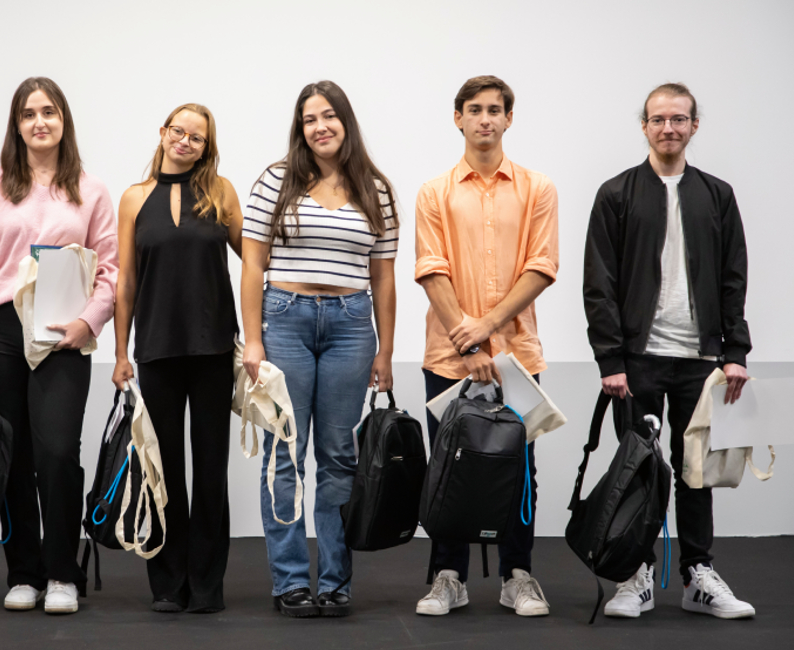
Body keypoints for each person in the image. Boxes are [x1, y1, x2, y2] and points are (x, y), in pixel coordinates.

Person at [584, 82, 754, 620]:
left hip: (701, 362)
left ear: (694, 126)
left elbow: (733, 279)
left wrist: (736, 352)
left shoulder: (717, 195)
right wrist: (610, 360)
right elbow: (599, 283)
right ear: (644, 126)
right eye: (658, 119)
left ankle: (697, 576)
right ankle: (636, 577)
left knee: (694, 472)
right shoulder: (617, 194)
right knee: (637, 470)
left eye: (679, 119)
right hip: (637, 360)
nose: (668, 128)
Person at [0, 77, 118, 615]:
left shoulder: (91, 190)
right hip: (0, 330)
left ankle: (63, 574)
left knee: (56, 453)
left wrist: (89, 322)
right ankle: (24, 572)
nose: (39, 121)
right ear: (16, 124)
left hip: (62, 332)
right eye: (28, 114)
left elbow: (111, 271)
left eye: (49, 112)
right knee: (12, 455)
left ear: (63, 120)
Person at [241, 80, 398, 618]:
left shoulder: (376, 188)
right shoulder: (275, 181)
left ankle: (334, 582)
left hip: (353, 326)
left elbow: (383, 276)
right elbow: (253, 264)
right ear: (300, 128)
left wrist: (385, 351)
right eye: (310, 119)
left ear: (346, 122)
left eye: (329, 116)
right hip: (284, 318)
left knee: (338, 457)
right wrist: (254, 339)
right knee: (285, 455)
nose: (320, 126)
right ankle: (289, 582)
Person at [414, 75, 558, 617]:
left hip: (518, 356)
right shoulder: (435, 191)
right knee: (448, 465)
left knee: (519, 467)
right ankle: (447, 576)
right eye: (474, 110)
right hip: (449, 357)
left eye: (495, 110)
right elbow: (431, 270)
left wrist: (488, 332)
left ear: (508, 119)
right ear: (458, 118)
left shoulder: (537, 188)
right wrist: (468, 345)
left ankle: (517, 575)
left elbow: (541, 266)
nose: (485, 120)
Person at [111, 103, 243, 613]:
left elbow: (253, 258)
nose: (185, 141)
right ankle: (168, 584)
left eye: (197, 137)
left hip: (212, 348)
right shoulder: (134, 198)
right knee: (162, 472)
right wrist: (120, 352)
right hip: (157, 351)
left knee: (211, 470)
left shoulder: (220, 191)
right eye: (178, 131)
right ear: (163, 133)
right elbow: (126, 281)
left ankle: (207, 586)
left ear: (207, 147)